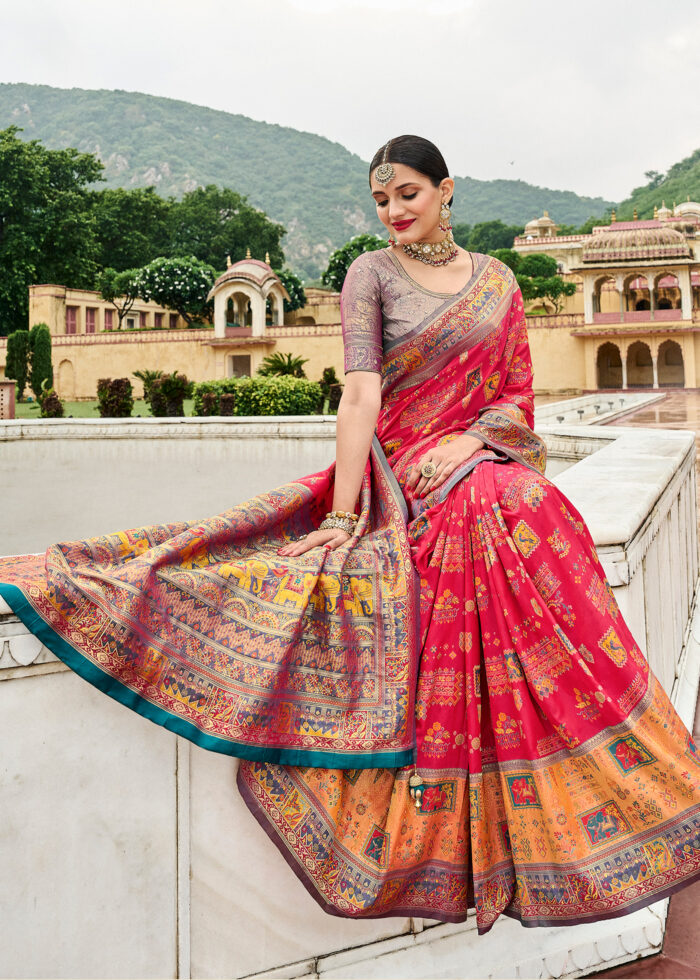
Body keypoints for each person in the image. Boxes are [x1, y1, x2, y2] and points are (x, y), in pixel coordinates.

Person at [1, 135, 698, 935]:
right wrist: (342, 513)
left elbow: (514, 394)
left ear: (445, 191)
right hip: (401, 474)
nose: (394, 210)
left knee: (530, 511)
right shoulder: (369, 275)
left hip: (475, 459)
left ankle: (617, 773)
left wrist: (472, 442)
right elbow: (361, 392)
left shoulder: (500, 282)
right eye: (381, 200)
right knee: (480, 516)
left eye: (407, 193)